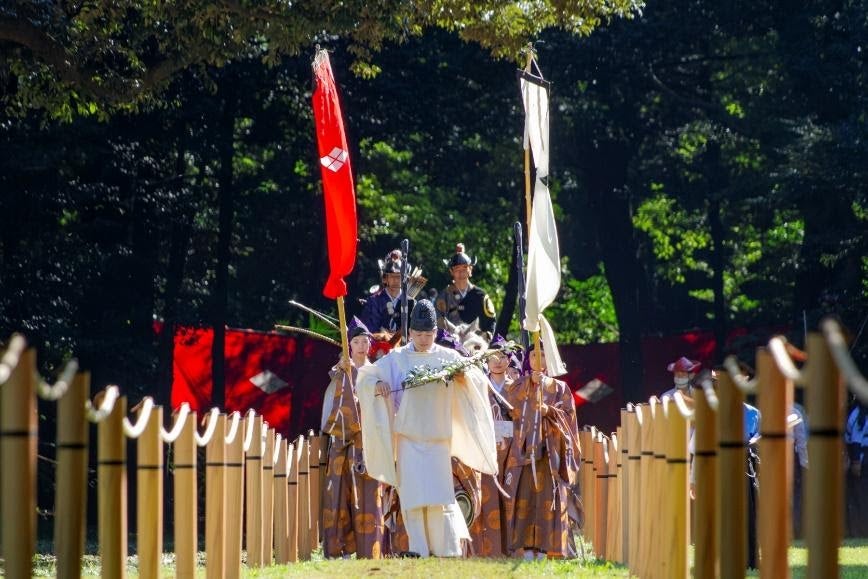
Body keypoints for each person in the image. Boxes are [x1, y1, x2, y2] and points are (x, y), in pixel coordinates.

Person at [356, 299, 498, 558]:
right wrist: (377, 384)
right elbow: (366, 376)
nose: (423, 339)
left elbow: (476, 376)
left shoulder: (448, 357)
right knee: (412, 497)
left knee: (439, 496)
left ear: (435, 332)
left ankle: (446, 549)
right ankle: (418, 549)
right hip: (408, 437)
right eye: (419, 334)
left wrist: (462, 377)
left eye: (428, 334)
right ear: (410, 332)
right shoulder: (397, 358)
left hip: (438, 438)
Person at [502, 343, 580, 560]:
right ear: (528, 360)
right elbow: (512, 410)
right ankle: (526, 550)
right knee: (524, 499)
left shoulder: (560, 388)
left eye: (543, 355)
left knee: (548, 501)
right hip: (525, 454)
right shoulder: (518, 385)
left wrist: (550, 412)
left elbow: (569, 418)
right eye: (533, 355)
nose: (538, 359)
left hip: (549, 454)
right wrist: (530, 385)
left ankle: (546, 550)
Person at [320, 317, 385, 558]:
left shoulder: (377, 372)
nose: (361, 346)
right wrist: (343, 372)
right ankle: (339, 549)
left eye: (364, 341)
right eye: (356, 341)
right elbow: (332, 407)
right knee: (339, 492)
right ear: (349, 346)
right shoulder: (340, 371)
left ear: (370, 345)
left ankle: (369, 549)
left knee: (368, 492)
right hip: (342, 440)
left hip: (367, 440)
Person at [468, 334, 514, 557]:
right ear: (486, 360)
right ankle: (487, 549)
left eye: (503, 357)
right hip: (486, 447)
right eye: (493, 357)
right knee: (487, 497)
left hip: (511, 448)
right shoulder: (479, 385)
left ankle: (511, 548)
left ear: (509, 360)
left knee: (511, 496)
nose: (498, 361)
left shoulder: (517, 387)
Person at [435, 243, 496, 334]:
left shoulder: (481, 295)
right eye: (457, 269)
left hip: (476, 340)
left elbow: (490, 322)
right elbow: (438, 321)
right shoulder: (444, 296)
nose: (461, 273)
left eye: (464, 268)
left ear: (470, 269)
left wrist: (486, 337)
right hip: (451, 340)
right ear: (451, 271)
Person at [359, 249, 413, 333]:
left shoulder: (410, 302)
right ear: (384, 279)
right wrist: (384, 334)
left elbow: (416, 330)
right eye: (392, 276)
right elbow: (368, 330)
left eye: (399, 276)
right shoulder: (374, 301)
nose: (396, 280)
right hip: (379, 341)